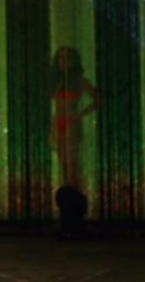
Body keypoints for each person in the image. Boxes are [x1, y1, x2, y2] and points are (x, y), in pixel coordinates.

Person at [50, 46, 99, 189]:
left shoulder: (79, 81)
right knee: (63, 162)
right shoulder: (57, 82)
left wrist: (80, 114)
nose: (63, 61)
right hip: (57, 122)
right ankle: (68, 191)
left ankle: (75, 191)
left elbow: (97, 100)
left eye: (66, 58)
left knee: (72, 162)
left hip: (71, 123)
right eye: (60, 58)